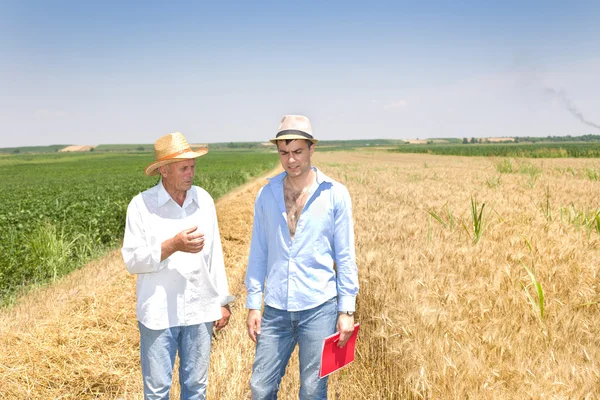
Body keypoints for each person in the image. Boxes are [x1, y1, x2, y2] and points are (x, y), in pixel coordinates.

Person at [245, 115, 359, 399]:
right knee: (260, 388)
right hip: (275, 309)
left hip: (319, 307)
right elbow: (258, 251)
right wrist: (253, 304)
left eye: (297, 151)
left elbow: (345, 256)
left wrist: (346, 311)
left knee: (312, 390)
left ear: (311, 148)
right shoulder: (266, 194)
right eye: (284, 153)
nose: (291, 160)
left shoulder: (335, 194)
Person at [122, 132, 234, 400]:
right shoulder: (141, 207)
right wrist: (172, 245)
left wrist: (222, 300)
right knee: (158, 391)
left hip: (199, 309)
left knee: (196, 389)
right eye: (184, 168)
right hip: (158, 314)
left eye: (193, 166)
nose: (191, 173)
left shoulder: (203, 200)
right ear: (164, 170)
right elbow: (132, 260)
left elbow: (214, 254)